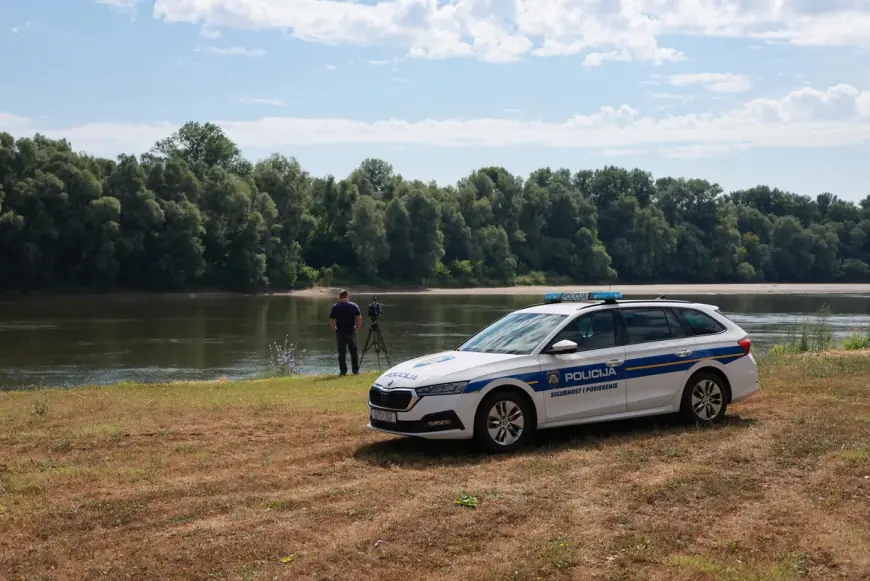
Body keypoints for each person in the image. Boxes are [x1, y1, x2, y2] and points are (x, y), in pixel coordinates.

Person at [329, 289, 362, 375]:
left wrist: (334, 329)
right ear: (347, 296)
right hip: (351, 331)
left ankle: (343, 371)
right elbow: (359, 319)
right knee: (354, 352)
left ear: (339, 297)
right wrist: (357, 328)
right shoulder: (354, 306)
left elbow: (331, 320)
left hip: (340, 332)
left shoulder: (335, 307)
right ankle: (355, 370)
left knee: (341, 353)